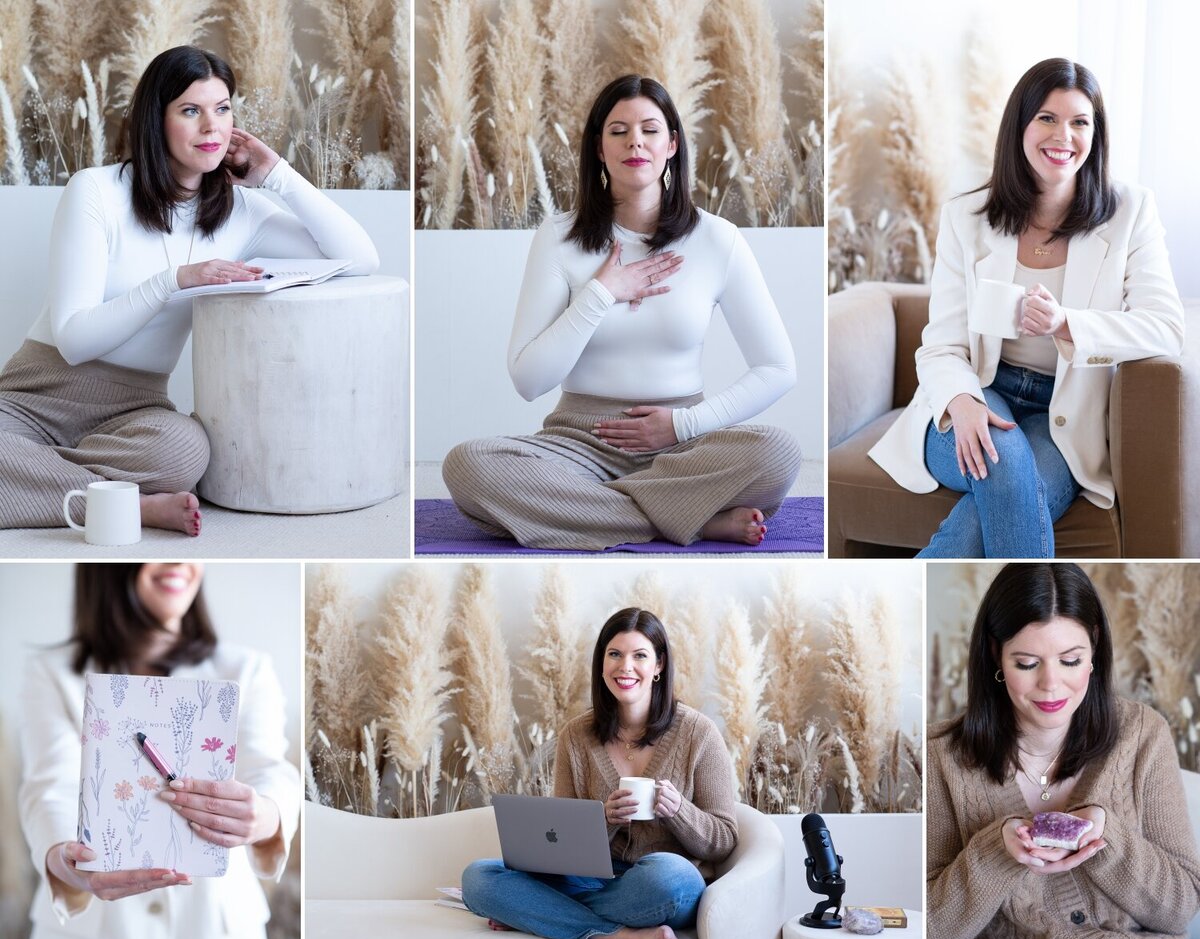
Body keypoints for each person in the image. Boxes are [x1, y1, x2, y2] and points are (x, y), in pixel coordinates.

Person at [0, 46, 379, 537]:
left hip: (133, 412)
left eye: (222, 109)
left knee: (185, 451)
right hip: (37, 397)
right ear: (155, 120)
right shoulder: (95, 191)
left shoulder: (242, 212)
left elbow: (360, 258)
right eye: (191, 111)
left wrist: (277, 176)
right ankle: (131, 505)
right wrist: (176, 280)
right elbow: (74, 341)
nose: (212, 127)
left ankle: (37, 482)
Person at [443, 75, 801, 551]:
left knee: (779, 453)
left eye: (650, 129)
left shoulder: (718, 240)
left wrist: (681, 425)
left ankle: (594, 512)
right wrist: (600, 294)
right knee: (467, 465)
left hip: (684, 446)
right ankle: (691, 521)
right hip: (577, 444)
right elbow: (528, 381)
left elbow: (778, 369)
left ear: (672, 144)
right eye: (618, 130)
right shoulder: (559, 237)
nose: (635, 140)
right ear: (598, 148)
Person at [868, 58, 1185, 557]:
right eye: (1047, 118)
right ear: (1020, 125)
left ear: (1095, 135)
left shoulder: (1131, 212)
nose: (1064, 135)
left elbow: (1167, 328)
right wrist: (962, 401)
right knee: (1005, 466)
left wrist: (1067, 324)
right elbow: (942, 346)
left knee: (994, 500)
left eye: (1080, 122)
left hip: (1063, 414)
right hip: (976, 391)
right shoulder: (966, 217)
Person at [17, 563, 299, 939]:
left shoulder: (246, 670)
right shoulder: (51, 673)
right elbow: (49, 787)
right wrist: (65, 859)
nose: (177, 563)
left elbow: (270, 770)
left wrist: (266, 815)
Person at [927, 563, 1200, 939]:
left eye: (1071, 660)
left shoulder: (1143, 735)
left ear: (1094, 652)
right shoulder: (940, 758)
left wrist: (1107, 834)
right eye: (1027, 663)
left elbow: (1180, 910)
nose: (1051, 684)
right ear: (994, 655)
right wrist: (998, 851)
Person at [461, 607, 737, 939]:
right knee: (478, 880)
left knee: (672, 878)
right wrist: (602, 821)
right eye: (615, 654)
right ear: (602, 664)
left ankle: (540, 915)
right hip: (593, 880)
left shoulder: (698, 733)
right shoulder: (576, 736)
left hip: (657, 887)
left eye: (640, 655)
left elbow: (725, 839)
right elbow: (557, 849)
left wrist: (679, 811)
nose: (625, 667)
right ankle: (617, 934)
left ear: (659, 665)